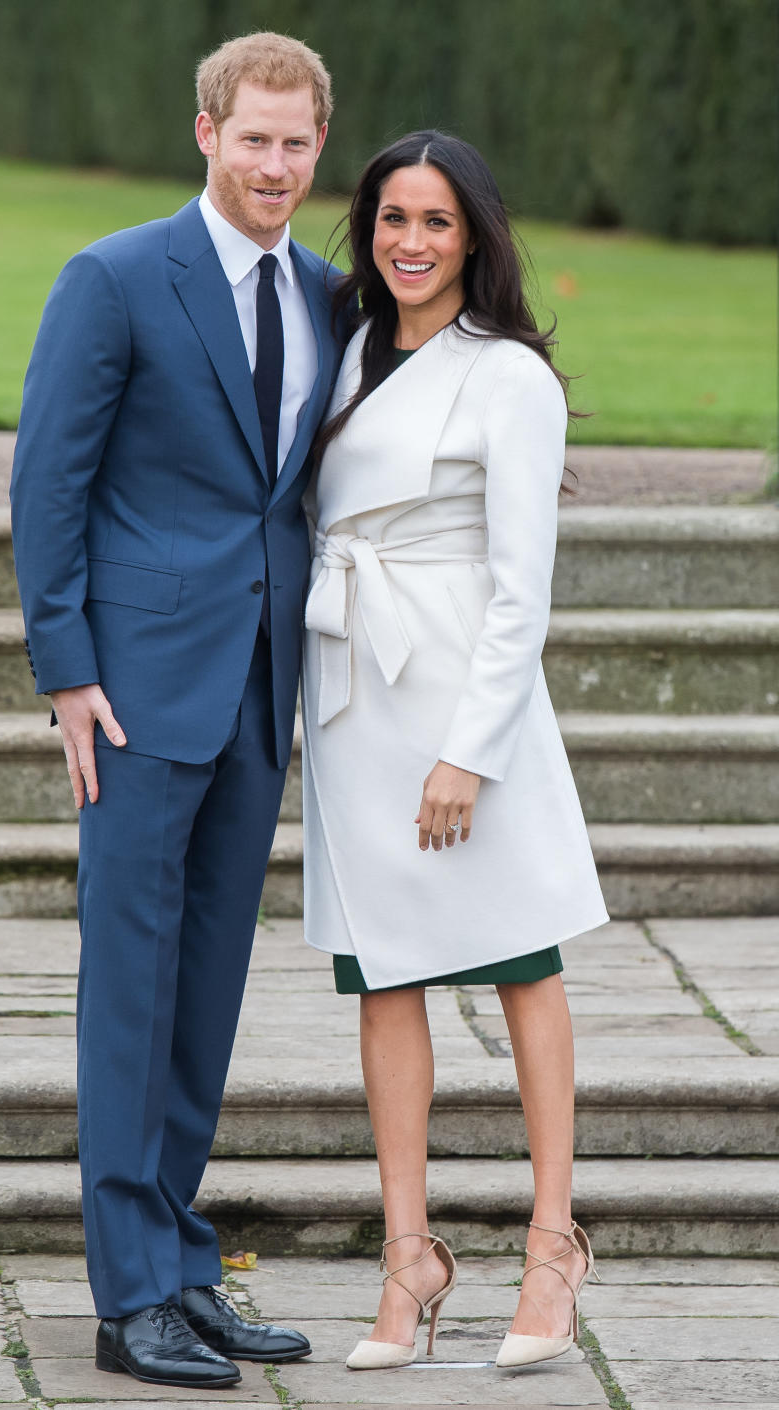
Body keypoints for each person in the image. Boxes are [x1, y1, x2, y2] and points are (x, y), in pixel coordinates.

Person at [10, 32, 347, 1391]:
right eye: (253, 137)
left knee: (207, 988)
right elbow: (50, 478)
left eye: (297, 143)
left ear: (318, 148)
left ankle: (179, 1260)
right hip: (136, 695)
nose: (275, 164)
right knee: (130, 984)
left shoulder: (328, 291)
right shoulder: (114, 277)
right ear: (204, 132)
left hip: (262, 684)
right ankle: (127, 1293)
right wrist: (65, 667)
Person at [301, 130, 610, 1373]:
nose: (409, 243)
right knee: (384, 976)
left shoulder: (509, 378)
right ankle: (409, 1257)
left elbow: (521, 590)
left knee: (520, 963)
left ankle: (551, 1247)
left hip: (458, 704)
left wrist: (468, 753)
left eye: (434, 221)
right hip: (352, 699)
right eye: (390, 220)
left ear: (473, 234)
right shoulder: (344, 353)